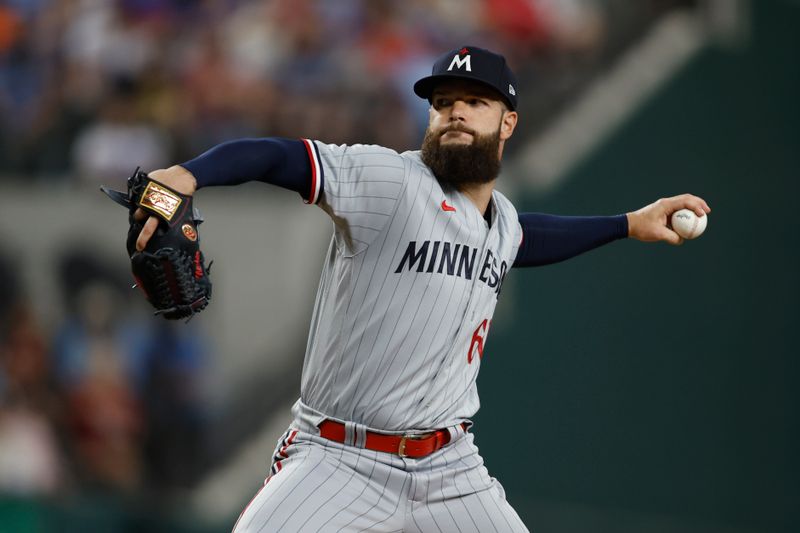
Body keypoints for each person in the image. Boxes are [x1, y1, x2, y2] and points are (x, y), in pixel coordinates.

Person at [134, 46, 710, 532]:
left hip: (450, 469)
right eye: (442, 103)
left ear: (507, 122)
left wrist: (628, 224)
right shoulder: (390, 182)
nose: (455, 112)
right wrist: (186, 176)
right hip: (341, 458)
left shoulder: (502, 222)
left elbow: (527, 239)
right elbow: (281, 157)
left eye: (474, 102)